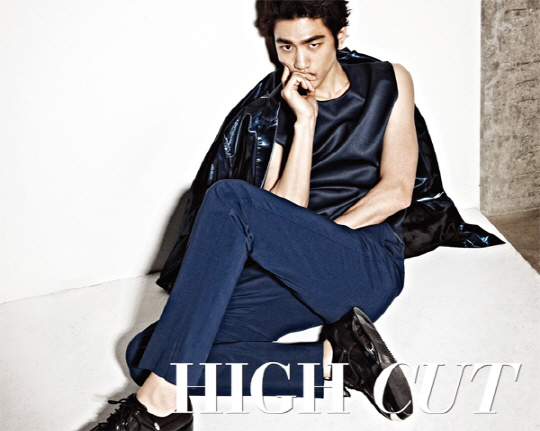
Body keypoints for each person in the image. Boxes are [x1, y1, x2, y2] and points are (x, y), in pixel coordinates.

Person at [90, 1, 419, 430]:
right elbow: (288, 207)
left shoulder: (389, 80)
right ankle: (333, 363)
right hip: (292, 276)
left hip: (363, 265)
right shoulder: (279, 106)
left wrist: (309, 243)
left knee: (230, 199)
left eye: (313, 44)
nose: (300, 61)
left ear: (339, 37)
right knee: (149, 354)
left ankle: (154, 412)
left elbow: (397, 191)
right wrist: (304, 122)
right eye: (286, 47)